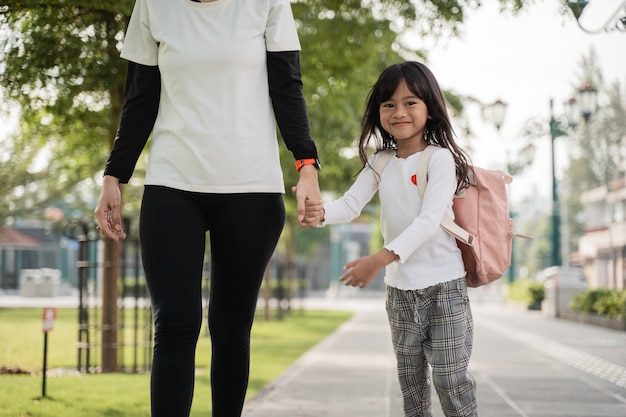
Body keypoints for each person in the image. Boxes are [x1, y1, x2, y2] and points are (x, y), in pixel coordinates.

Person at [93, 1, 321, 416]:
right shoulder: (153, 5)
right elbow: (140, 99)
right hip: (172, 183)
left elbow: (287, 87)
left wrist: (307, 166)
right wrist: (114, 175)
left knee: (232, 329)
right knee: (175, 324)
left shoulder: (268, 3)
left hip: (251, 187)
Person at [301, 61, 477, 417]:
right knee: (411, 386)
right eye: (389, 104)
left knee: (450, 379)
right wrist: (319, 214)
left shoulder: (440, 159)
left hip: (445, 288)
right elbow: (350, 205)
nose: (399, 112)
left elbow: (428, 222)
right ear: (378, 111)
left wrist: (376, 260)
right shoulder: (380, 162)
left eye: (411, 102)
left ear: (430, 108)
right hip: (400, 293)